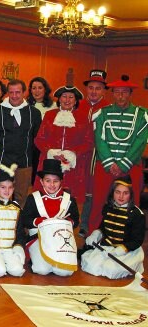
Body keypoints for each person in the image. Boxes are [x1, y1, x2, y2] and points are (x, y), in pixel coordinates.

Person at [88, 75, 148, 234]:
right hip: (105, 167)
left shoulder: (142, 115)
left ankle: (129, 238)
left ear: (130, 94)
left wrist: (122, 164)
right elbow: (99, 140)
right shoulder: (103, 113)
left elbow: (140, 141)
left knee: (131, 204)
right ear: (112, 94)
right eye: (117, 92)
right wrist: (110, 164)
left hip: (131, 166)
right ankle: (93, 237)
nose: (121, 96)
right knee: (99, 202)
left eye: (125, 92)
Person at [33, 83, 93, 204]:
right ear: (59, 99)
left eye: (71, 97)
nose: (67, 100)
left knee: (69, 199)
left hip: (73, 166)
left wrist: (73, 153)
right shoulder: (49, 116)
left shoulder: (83, 118)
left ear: (76, 100)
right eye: (64, 96)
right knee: (46, 197)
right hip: (50, 162)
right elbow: (39, 139)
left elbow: (89, 142)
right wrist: (51, 152)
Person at [0, 79, 41, 207]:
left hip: (24, 162)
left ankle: (18, 225)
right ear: (7, 93)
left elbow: (36, 137)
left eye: (18, 92)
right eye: (11, 92)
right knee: (0, 196)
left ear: (24, 92)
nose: (14, 96)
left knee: (21, 198)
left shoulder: (34, 113)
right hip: (2, 161)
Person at [20, 159, 79, 276]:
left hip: (61, 240)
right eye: (48, 181)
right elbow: (25, 219)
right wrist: (38, 221)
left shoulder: (69, 199)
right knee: (42, 270)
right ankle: (35, 259)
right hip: (38, 238)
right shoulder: (33, 198)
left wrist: (66, 222)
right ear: (41, 181)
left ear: (61, 182)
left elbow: (76, 220)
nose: (52, 185)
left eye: (55, 181)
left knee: (65, 272)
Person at [81, 176, 145, 279]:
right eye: (117, 192)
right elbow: (104, 227)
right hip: (107, 248)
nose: (121, 196)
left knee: (110, 269)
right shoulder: (108, 208)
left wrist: (123, 249)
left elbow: (137, 240)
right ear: (112, 193)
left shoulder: (137, 214)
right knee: (91, 266)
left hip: (127, 251)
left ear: (131, 195)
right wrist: (97, 233)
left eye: (125, 193)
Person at [77, 70, 111, 237]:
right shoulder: (78, 105)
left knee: (92, 192)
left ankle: (86, 225)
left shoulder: (108, 109)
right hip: (78, 155)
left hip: (96, 156)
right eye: (91, 87)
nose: (94, 91)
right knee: (74, 190)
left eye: (98, 88)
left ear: (104, 90)